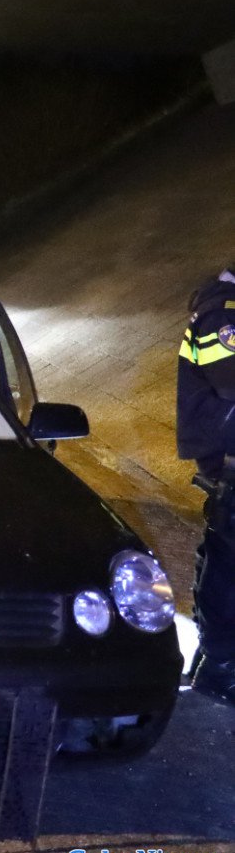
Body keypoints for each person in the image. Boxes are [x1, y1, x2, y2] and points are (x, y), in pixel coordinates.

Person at [179, 261, 235, 705]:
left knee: (225, 564)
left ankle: (213, 664)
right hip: (229, 461)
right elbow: (230, 382)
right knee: (227, 570)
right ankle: (219, 669)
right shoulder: (222, 314)